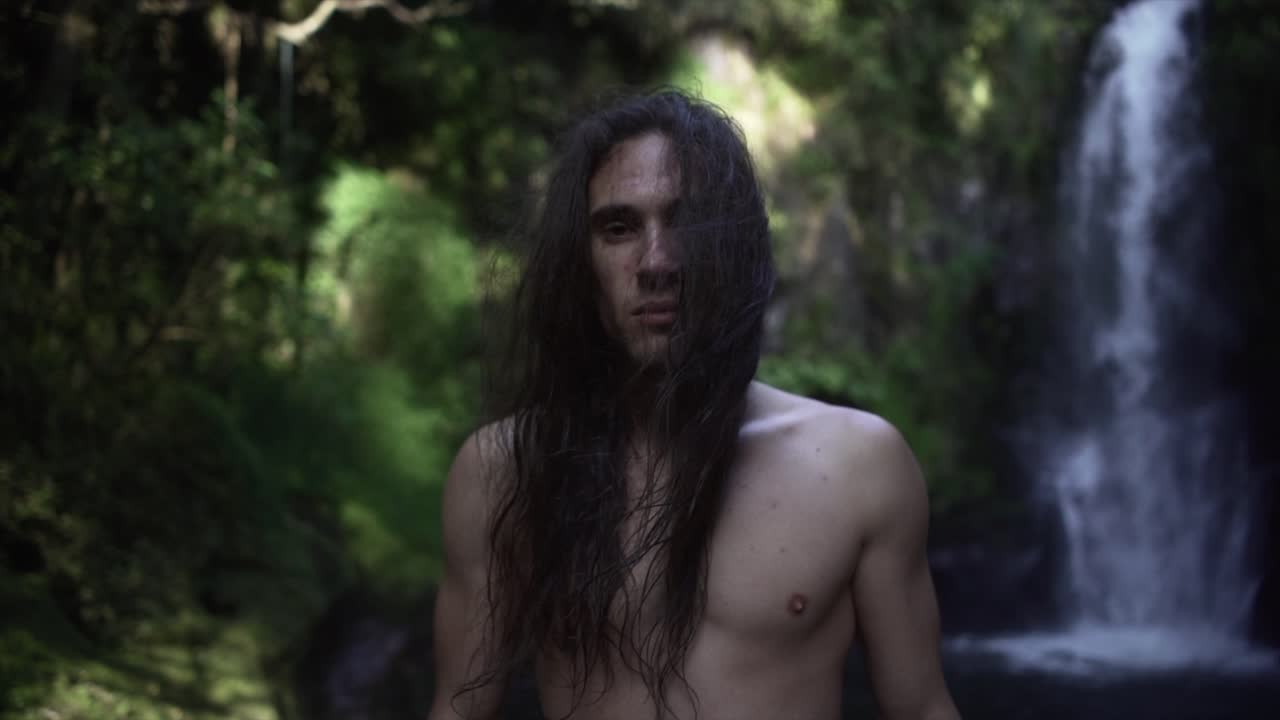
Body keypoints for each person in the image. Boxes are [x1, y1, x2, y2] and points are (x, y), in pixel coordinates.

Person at [428, 89, 960, 720]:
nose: (657, 262)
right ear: (580, 260)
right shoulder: (504, 472)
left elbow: (923, 707)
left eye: (685, 221)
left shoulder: (857, 466)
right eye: (619, 228)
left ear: (733, 246)